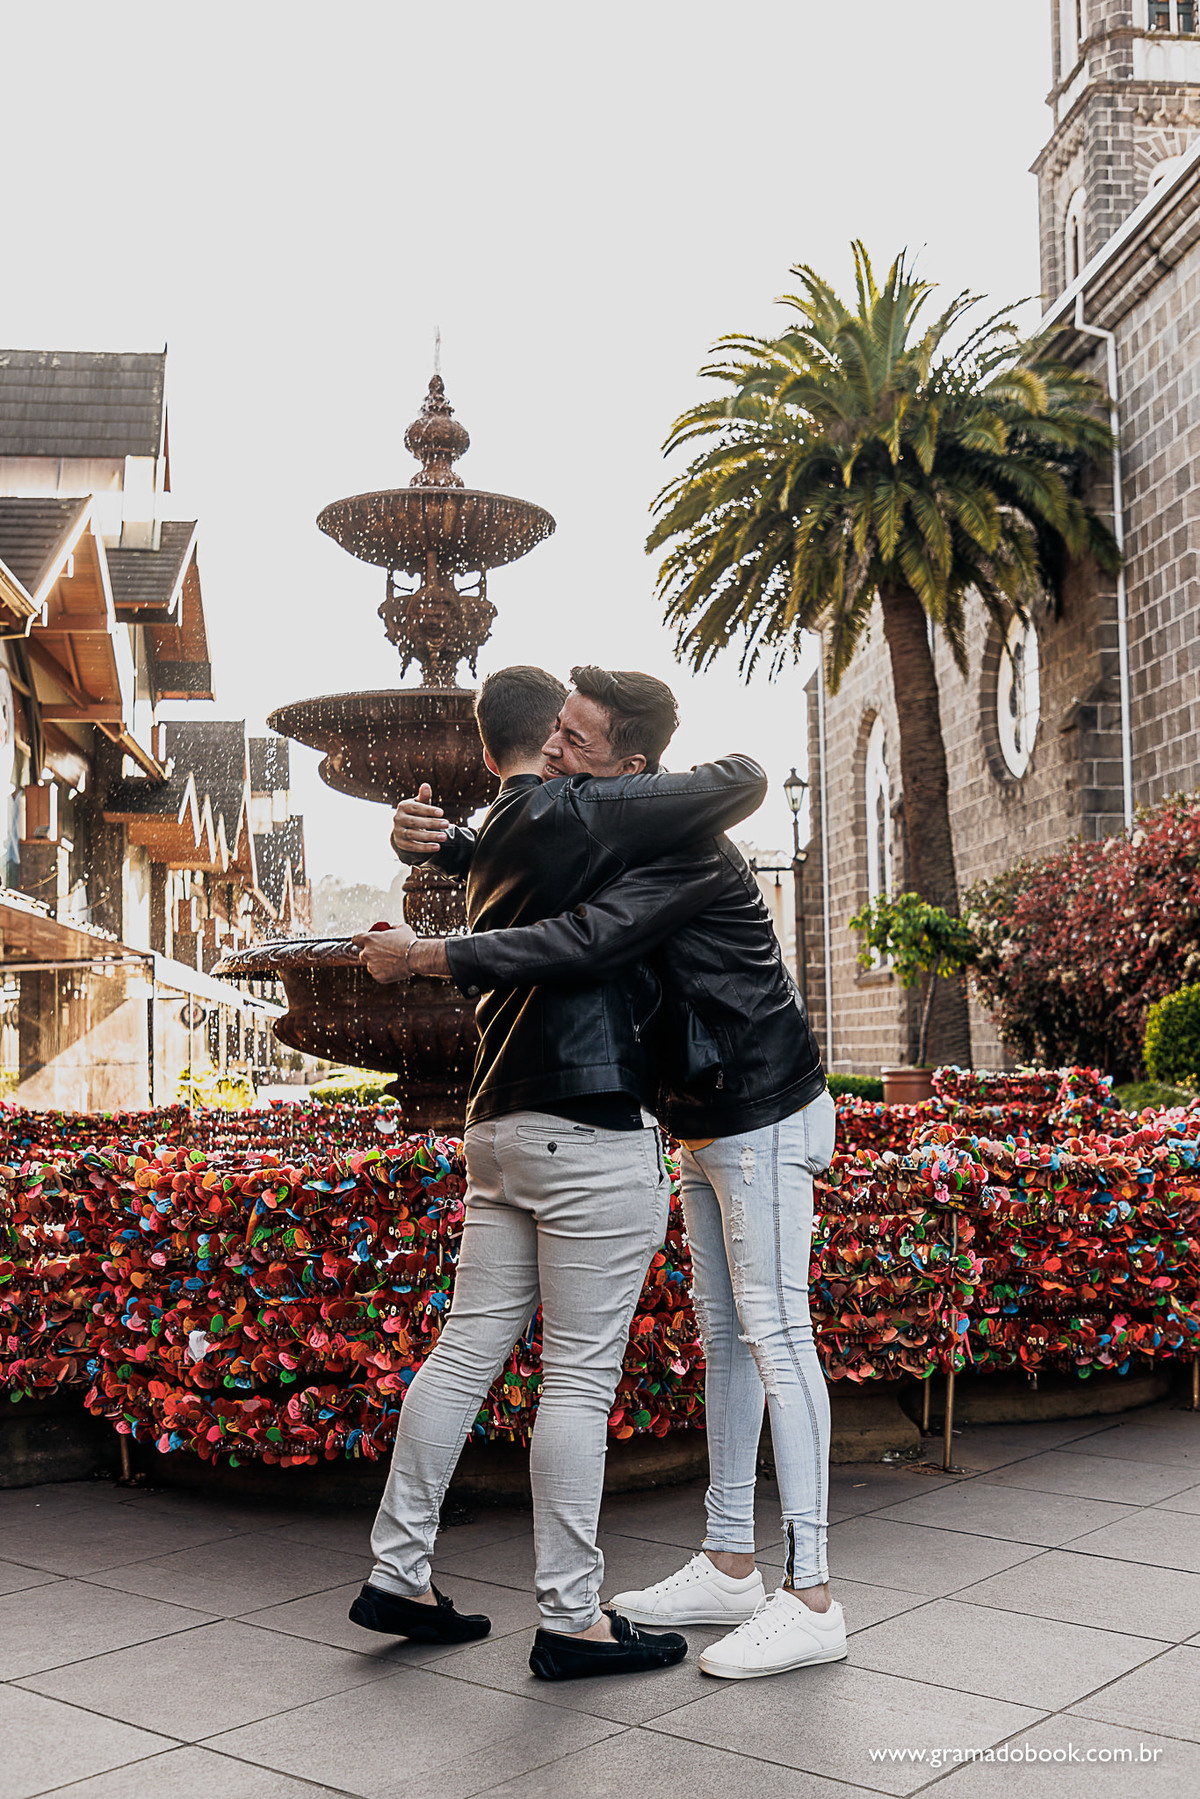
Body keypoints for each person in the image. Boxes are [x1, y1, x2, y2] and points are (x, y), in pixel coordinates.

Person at [380, 663, 844, 1681]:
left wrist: (430, 955)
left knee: (775, 1332)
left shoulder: (679, 844)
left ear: (630, 770)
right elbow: (546, 859)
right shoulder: (616, 828)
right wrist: (452, 844)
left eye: (576, 741)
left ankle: (812, 1594)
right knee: (727, 1339)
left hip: (764, 1105)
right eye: (553, 730)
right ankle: (730, 1562)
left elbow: (585, 936)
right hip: (703, 1117)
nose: (552, 751)